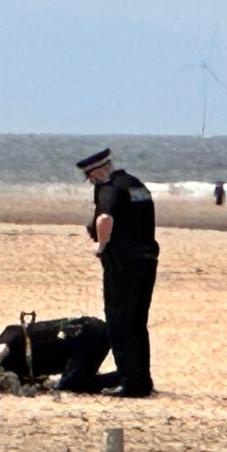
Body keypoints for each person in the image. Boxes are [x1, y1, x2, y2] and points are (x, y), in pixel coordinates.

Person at [76, 147, 159, 397]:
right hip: (146, 258)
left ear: (99, 171)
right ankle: (140, 378)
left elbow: (104, 219)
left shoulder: (109, 187)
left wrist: (99, 245)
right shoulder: (136, 185)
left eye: (90, 176)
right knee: (137, 321)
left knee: (119, 321)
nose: (90, 181)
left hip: (122, 262)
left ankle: (130, 380)